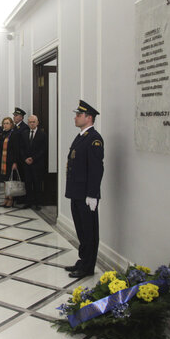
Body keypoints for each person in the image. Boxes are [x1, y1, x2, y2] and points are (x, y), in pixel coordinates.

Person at [64, 100, 103, 278]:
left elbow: (96, 169)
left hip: (86, 194)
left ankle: (88, 267)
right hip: (76, 192)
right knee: (81, 229)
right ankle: (83, 260)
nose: (75, 117)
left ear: (89, 118)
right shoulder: (81, 136)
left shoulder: (94, 139)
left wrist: (92, 195)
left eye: (79, 115)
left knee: (89, 231)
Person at [22, 114, 48, 210]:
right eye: (30, 122)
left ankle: (38, 203)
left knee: (37, 183)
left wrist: (33, 158)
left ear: (37, 123)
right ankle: (28, 202)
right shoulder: (24, 133)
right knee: (28, 183)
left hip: (37, 164)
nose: (32, 124)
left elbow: (43, 150)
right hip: (26, 163)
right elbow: (22, 148)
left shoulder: (42, 135)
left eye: (34, 122)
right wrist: (25, 158)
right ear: (28, 123)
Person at [0, 117, 21, 208]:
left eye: (7, 123)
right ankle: (6, 198)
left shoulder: (14, 134)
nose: (5, 125)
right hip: (2, 162)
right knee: (5, 181)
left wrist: (15, 162)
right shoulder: (2, 134)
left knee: (10, 181)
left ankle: (11, 199)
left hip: (10, 162)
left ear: (11, 124)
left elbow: (16, 149)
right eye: (4, 123)